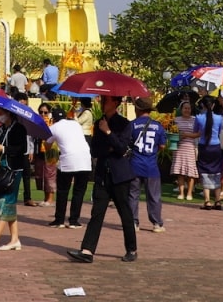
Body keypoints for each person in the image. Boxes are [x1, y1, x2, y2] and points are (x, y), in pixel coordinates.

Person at [67, 94, 138, 264]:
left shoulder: (124, 124)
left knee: (125, 213)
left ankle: (131, 249)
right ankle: (87, 250)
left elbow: (122, 148)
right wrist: (109, 145)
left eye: (106, 100)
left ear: (115, 103)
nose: (103, 103)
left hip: (120, 176)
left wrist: (108, 132)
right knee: (96, 213)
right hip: (102, 175)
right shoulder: (99, 122)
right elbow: (95, 150)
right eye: (102, 100)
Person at [0, 110, 29, 253]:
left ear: (8, 113)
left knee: (5, 202)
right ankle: (14, 239)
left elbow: (23, 148)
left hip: (13, 169)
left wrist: (5, 148)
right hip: (0, 167)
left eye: (0, 113)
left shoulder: (19, 128)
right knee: (6, 202)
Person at [47, 108, 90, 228]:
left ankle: (59, 220)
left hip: (68, 161)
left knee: (63, 191)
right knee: (79, 192)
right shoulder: (75, 124)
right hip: (85, 160)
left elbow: (47, 144)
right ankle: (74, 221)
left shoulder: (53, 127)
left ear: (53, 119)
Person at [127, 97, 164, 232]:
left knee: (133, 195)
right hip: (151, 166)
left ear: (138, 109)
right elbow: (162, 145)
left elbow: (127, 142)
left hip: (135, 165)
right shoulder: (158, 126)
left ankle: (133, 223)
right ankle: (157, 224)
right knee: (154, 196)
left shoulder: (132, 125)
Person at [194, 96, 223, 210]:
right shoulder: (219, 118)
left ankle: (207, 201)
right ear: (213, 105)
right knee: (216, 171)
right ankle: (217, 200)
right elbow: (219, 132)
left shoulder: (198, 117)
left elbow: (196, 132)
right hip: (215, 146)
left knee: (204, 172)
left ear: (202, 105)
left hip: (204, 147)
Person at [170, 99, 199, 201]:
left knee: (191, 172)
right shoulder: (176, 120)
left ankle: (190, 193)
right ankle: (181, 193)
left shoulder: (195, 120)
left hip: (190, 148)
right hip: (179, 148)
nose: (187, 110)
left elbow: (199, 134)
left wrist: (186, 135)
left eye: (189, 108)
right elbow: (171, 132)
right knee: (180, 172)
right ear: (181, 109)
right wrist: (178, 137)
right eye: (185, 108)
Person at [36, 104, 59, 208]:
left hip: (51, 150)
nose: (43, 114)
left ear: (49, 113)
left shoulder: (53, 123)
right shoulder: (38, 122)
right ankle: (45, 198)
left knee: (50, 174)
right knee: (42, 174)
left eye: (45, 112)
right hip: (40, 150)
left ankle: (50, 199)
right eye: (41, 112)